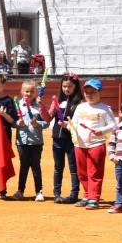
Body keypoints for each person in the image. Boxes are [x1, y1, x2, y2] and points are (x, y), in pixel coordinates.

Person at [71, 78, 117, 210]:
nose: (89, 95)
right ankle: (87, 195)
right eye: (87, 92)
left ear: (99, 93)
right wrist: (68, 126)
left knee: (94, 172)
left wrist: (101, 131)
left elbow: (113, 124)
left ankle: (94, 197)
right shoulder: (80, 107)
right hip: (79, 144)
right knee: (82, 173)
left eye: (92, 92)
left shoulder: (104, 109)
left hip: (96, 144)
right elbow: (74, 123)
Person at [42, 73, 82, 203]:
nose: (66, 89)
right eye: (64, 86)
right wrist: (41, 106)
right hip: (58, 138)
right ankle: (57, 194)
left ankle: (74, 194)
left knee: (73, 168)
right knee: (58, 167)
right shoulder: (57, 101)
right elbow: (48, 118)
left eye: (69, 86)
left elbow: (81, 122)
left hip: (72, 139)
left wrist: (68, 125)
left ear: (75, 87)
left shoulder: (80, 103)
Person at [10, 80, 46, 201]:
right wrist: (16, 123)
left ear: (36, 92)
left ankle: (39, 191)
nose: (29, 94)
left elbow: (46, 123)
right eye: (26, 91)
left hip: (36, 141)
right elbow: (12, 122)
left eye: (32, 91)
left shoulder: (39, 106)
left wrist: (37, 124)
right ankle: (20, 191)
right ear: (22, 92)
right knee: (24, 166)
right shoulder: (17, 105)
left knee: (36, 166)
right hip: (22, 141)